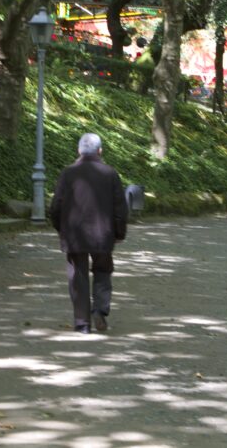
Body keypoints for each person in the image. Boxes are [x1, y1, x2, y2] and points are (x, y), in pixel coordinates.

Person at [49, 133, 129, 334]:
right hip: (103, 234)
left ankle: (82, 323)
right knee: (102, 271)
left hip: (74, 234)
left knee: (78, 276)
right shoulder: (110, 173)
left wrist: (62, 229)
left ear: (78, 151)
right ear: (100, 151)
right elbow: (120, 208)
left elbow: (55, 207)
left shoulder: (68, 173)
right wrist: (119, 233)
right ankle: (100, 309)